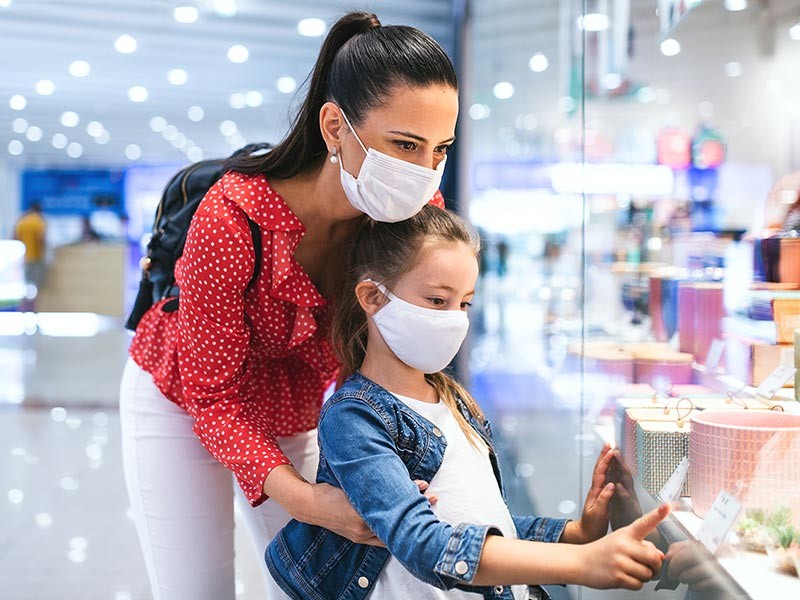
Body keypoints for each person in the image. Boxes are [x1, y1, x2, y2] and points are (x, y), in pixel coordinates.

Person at [119, 11, 456, 600]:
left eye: (439, 149)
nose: (423, 173)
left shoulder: (405, 217)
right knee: (195, 588)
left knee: (318, 585)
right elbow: (214, 398)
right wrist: (310, 500)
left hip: (291, 401)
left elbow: (400, 347)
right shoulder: (233, 218)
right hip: (182, 395)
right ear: (335, 126)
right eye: (404, 144)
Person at [266, 205, 671, 599]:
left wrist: (577, 535)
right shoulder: (354, 418)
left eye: (464, 303)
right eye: (437, 301)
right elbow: (425, 543)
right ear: (373, 297)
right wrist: (580, 564)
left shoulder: (453, 399)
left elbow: (486, 522)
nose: (455, 318)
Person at [14, 201, 47, 306]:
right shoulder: (39, 222)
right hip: (37, 257)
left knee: (28, 283)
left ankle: (25, 305)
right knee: (36, 285)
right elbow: (41, 240)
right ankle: (31, 305)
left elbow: (15, 237)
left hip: (27, 257)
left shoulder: (22, 221)